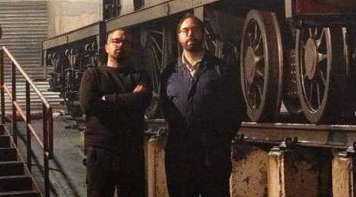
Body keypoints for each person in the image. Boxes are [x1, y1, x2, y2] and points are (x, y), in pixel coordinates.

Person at [160, 13, 244, 197]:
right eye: (185, 31)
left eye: (195, 30)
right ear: (179, 36)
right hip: (179, 155)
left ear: (203, 34)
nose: (191, 34)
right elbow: (165, 107)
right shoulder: (169, 72)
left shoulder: (221, 69)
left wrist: (220, 138)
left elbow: (236, 108)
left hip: (212, 154)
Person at [79, 28, 152, 197]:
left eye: (126, 42)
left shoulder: (140, 75)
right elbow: (88, 105)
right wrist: (131, 97)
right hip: (100, 151)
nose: (121, 45)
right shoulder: (93, 74)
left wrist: (107, 100)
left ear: (132, 48)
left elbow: (143, 101)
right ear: (106, 47)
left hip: (131, 151)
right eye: (116, 41)